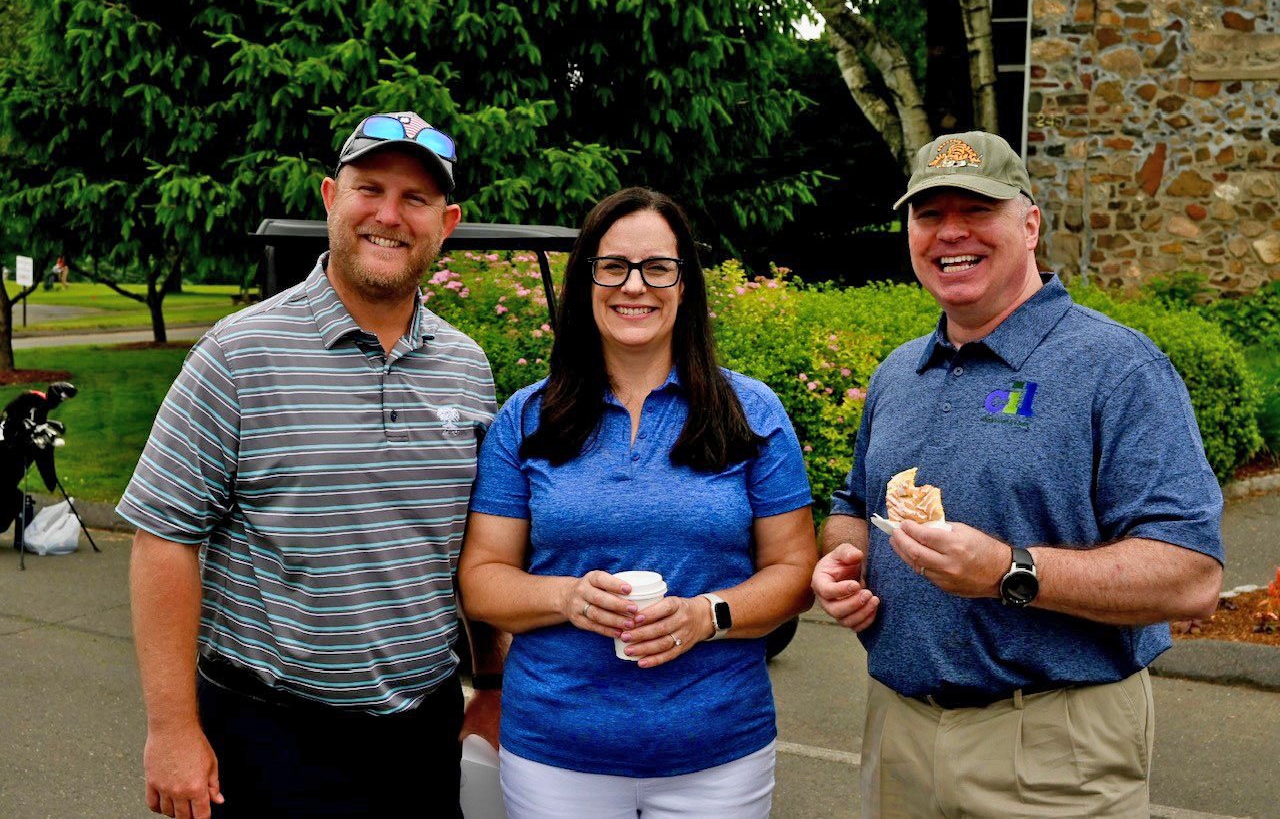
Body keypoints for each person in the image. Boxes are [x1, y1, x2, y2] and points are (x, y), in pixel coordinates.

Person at [812, 131, 1224, 817]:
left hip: (1054, 747)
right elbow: (853, 504)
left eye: (975, 209)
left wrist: (1009, 570)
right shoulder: (897, 373)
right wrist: (843, 562)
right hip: (898, 736)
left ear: (1029, 223)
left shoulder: (1116, 367)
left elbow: (1193, 575)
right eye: (929, 213)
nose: (950, 233)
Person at [119, 110, 504, 819]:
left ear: (446, 222)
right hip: (268, 738)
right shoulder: (238, 354)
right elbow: (163, 539)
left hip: (422, 735)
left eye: (415, 199)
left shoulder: (467, 368)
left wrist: (494, 688)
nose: (389, 215)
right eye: (370, 189)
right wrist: (172, 729)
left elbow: (477, 550)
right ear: (331, 197)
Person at [458, 187, 817, 818]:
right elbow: (483, 582)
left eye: (658, 268)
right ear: (587, 278)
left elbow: (794, 573)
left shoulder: (751, 412)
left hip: (718, 756)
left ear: (685, 284)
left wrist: (708, 614)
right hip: (555, 754)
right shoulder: (527, 418)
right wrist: (566, 597)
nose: (634, 287)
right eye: (613, 266)